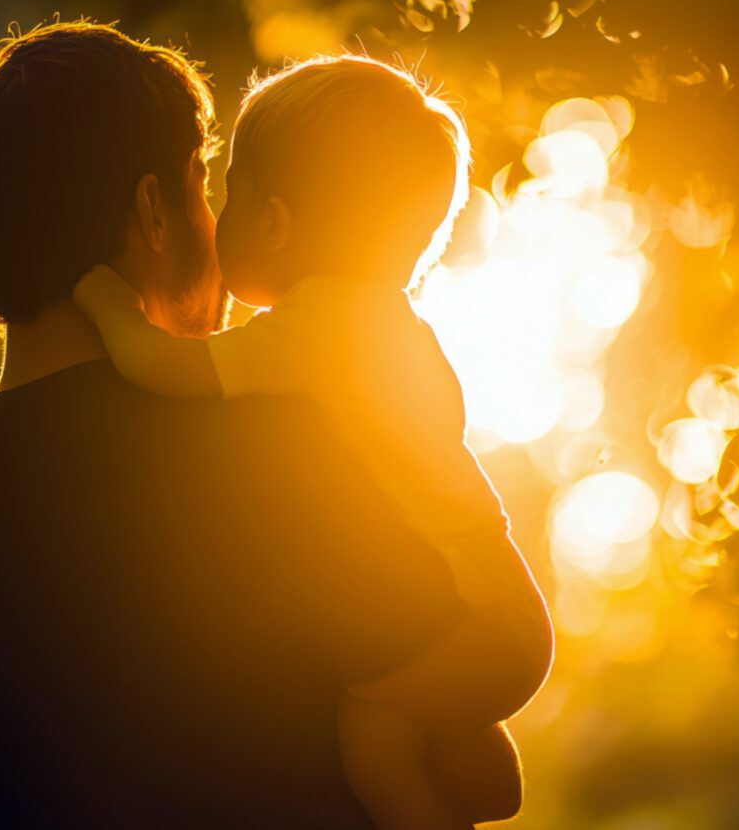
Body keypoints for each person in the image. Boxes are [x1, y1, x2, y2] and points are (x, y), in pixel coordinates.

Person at [0, 19, 525, 829]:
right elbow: (487, 779)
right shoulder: (269, 455)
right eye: (205, 185)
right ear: (153, 214)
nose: (219, 223)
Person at [73, 54, 554, 827]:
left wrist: (107, 302)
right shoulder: (396, 328)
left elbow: (166, 367)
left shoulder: (313, 328)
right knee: (434, 733)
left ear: (273, 222)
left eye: (229, 194)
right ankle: (480, 760)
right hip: (502, 609)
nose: (218, 217)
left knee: (369, 735)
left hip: (470, 618)